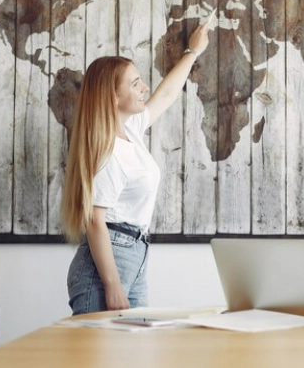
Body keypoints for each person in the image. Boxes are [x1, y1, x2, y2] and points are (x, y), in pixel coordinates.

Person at [61, 19, 210, 315]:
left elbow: (166, 95)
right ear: (112, 97)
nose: (143, 88)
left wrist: (193, 52)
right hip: (108, 263)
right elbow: (93, 219)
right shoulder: (108, 150)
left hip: (134, 253)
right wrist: (112, 284)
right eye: (134, 83)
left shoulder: (129, 132)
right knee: (99, 360)